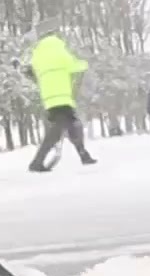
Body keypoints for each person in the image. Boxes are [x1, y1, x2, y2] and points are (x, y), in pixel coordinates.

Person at [27, 19, 97, 171]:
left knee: (71, 125)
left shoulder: (37, 53)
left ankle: (83, 155)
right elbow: (72, 65)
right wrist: (85, 64)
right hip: (62, 96)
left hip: (49, 97)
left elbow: (34, 72)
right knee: (58, 130)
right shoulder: (59, 49)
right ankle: (37, 162)